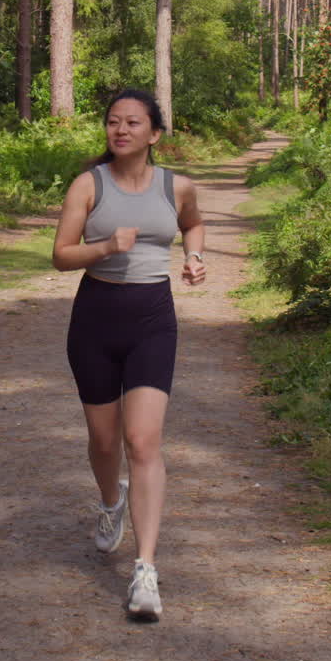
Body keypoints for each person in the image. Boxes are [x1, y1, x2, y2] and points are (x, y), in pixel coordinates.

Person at [52, 89, 206, 620]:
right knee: (104, 440)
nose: (121, 130)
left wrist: (195, 257)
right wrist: (105, 247)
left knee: (143, 440)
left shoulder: (176, 186)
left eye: (133, 122)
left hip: (152, 319)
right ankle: (111, 502)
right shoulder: (87, 185)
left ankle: (145, 570)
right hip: (95, 317)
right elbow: (60, 255)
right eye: (114, 122)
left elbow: (192, 224)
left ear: (154, 133)